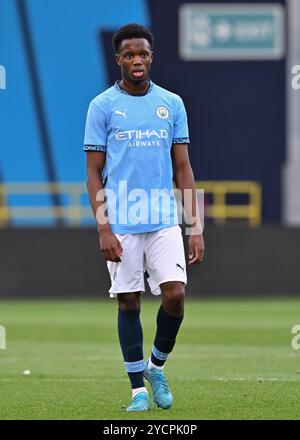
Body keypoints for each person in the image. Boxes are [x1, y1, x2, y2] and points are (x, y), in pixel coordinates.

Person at [84, 23, 205, 412]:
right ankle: (137, 390)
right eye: (129, 55)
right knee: (129, 302)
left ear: (151, 57)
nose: (137, 60)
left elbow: (183, 168)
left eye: (143, 54)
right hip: (121, 221)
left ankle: (156, 367)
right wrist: (103, 226)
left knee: (175, 296)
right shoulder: (102, 106)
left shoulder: (171, 103)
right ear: (118, 59)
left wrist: (195, 226)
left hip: (164, 219)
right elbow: (92, 171)